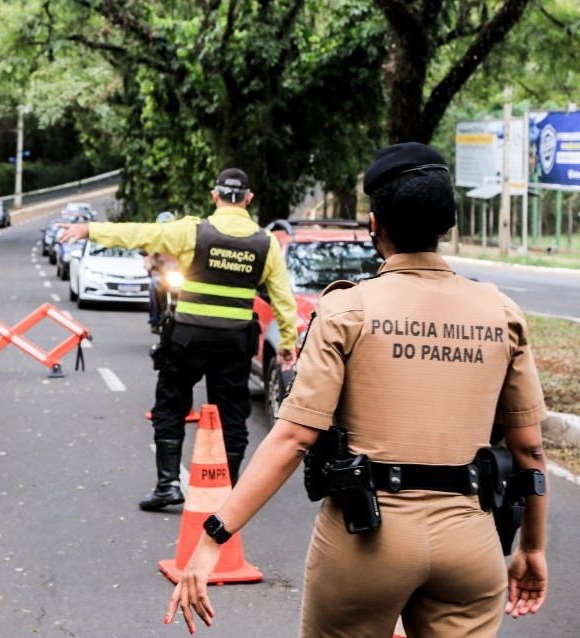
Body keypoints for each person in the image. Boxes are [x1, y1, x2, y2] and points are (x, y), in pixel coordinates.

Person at [164, 143, 549, 636]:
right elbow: (529, 448)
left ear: (375, 225)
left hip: (366, 538)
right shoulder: (502, 313)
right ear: (447, 226)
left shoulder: (347, 311)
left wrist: (214, 535)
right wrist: (532, 548)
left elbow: (292, 439)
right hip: (471, 544)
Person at [59, 168, 298, 510]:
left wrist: (90, 229)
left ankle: (168, 484)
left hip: (188, 339)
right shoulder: (266, 244)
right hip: (234, 344)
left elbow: (141, 233)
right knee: (232, 415)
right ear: (248, 199)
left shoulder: (192, 231)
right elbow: (283, 299)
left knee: (170, 405)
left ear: (215, 196)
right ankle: (226, 494)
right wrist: (287, 342)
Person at [144, 211, 178, 334]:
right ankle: (154, 319)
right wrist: (149, 265)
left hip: (177, 276)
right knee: (153, 286)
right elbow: (148, 258)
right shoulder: (155, 242)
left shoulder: (180, 241)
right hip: (161, 276)